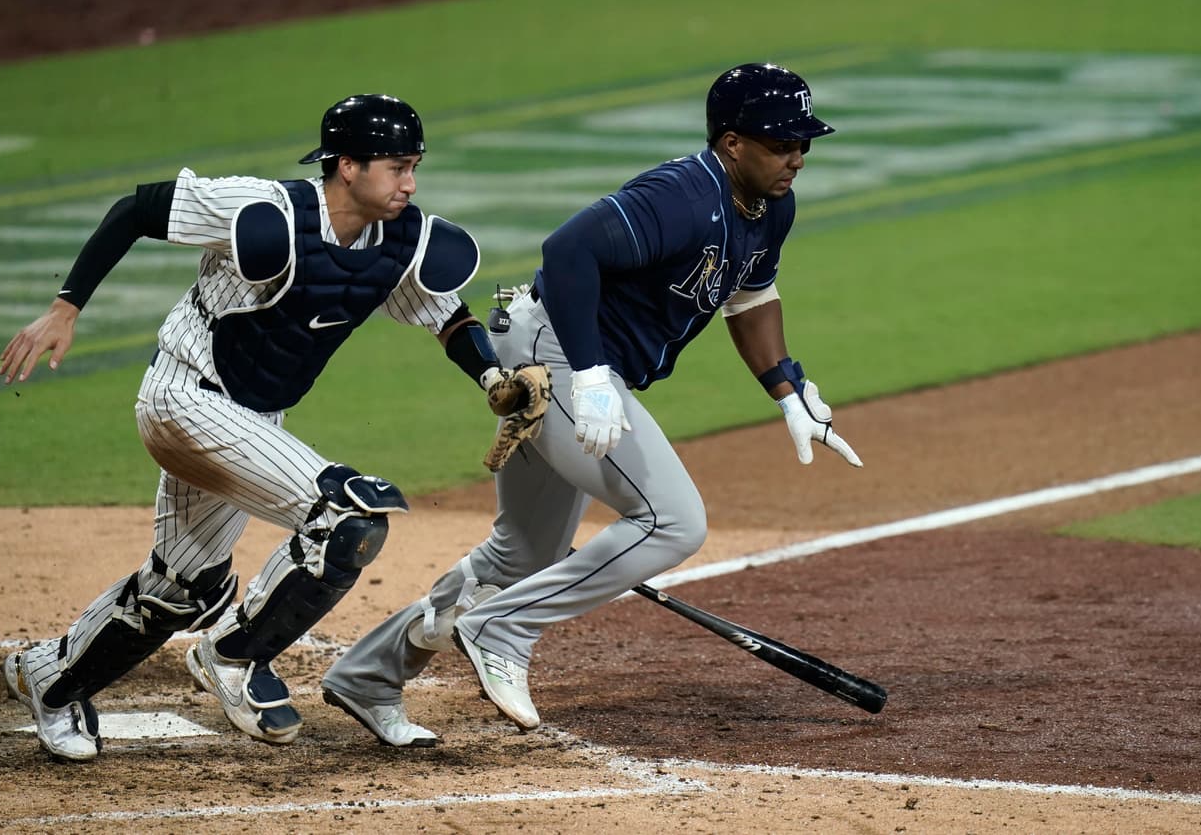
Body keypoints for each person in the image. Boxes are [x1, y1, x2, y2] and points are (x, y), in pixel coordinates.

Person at [320, 63, 864, 744]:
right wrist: (594, 373)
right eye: (781, 143)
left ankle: (368, 673)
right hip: (557, 355)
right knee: (674, 519)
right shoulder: (682, 196)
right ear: (731, 144)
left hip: (568, 357)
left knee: (523, 552)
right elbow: (568, 251)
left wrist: (786, 386)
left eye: (803, 143)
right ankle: (502, 627)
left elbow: (751, 296)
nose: (797, 156)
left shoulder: (770, 207)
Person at [0, 93, 520, 760]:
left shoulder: (400, 241)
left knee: (180, 589)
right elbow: (136, 209)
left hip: (250, 418)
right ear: (349, 166)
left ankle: (53, 677)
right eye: (397, 167)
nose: (410, 183)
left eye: (415, 166)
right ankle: (237, 655)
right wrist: (65, 307)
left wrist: (493, 379)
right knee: (347, 515)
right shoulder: (262, 208)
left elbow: (447, 315)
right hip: (183, 398)